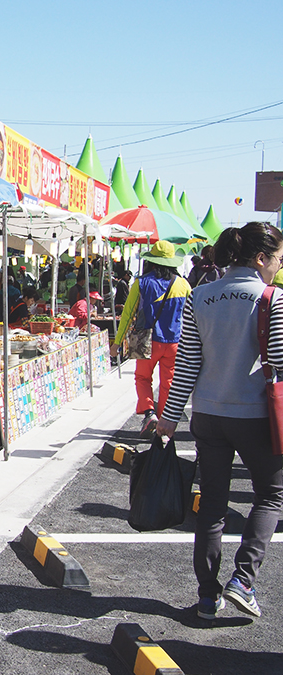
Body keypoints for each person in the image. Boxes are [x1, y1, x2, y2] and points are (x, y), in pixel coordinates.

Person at [157, 222, 283, 621]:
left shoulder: (200, 294)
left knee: (212, 505)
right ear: (261, 258)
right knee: (271, 494)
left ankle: (208, 595)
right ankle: (243, 580)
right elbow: (278, 361)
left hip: (208, 414)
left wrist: (168, 418)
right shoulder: (272, 298)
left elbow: (189, 362)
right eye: (278, 258)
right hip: (255, 415)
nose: (279, 266)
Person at [112, 240, 192, 436]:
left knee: (142, 377)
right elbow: (191, 316)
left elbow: (128, 314)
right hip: (175, 341)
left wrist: (117, 342)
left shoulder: (141, 282)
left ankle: (149, 413)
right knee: (169, 381)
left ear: (153, 261)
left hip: (144, 338)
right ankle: (164, 419)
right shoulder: (183, 284)